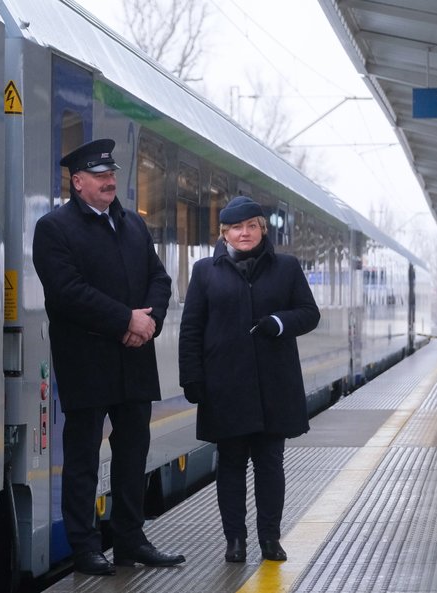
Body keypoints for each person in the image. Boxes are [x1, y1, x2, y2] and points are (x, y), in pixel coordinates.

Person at [32, 138, 183, 576]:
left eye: (112, 175)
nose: (109, 182)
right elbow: (67, 293)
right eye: (100, 177)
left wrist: (147, 322)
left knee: (133, 452)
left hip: (134, 360)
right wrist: (126, 321)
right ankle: (85, 545)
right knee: (82, 458)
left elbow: (159, 278)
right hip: (87, 361)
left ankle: (130, 539)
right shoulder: (55, 229)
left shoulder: (132, 224)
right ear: (78, 182)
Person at [178, 195, 321, 564]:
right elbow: (191, 329)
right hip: (224, 386)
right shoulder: (205, 271)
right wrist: (191, 379)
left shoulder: (286, 268)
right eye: (237, 228)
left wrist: (280, 322)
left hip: (274, 386)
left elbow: (309, 313)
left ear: (262, 228)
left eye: (252, 226)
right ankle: (235, 541)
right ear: (224, 233)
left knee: (270, 463)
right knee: (230, 465)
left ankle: (270, 539)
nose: (245, 234)